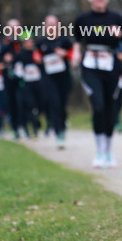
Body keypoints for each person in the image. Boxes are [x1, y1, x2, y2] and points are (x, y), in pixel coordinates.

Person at [71, 0, 122, 168]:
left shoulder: (117, 18)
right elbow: (76, 40)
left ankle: (108, 151)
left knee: (110, 109)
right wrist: (75, 54)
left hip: (111, 65)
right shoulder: (83, 19)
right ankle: (99, 150)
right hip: (90, 65)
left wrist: (120, 35)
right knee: (97, 106)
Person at [36, 15, 74, 149]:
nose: (51, 26)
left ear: (57, 25)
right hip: (49, 80)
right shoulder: (41, 42)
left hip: (63, 79)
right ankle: (59, 133)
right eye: (48, 24)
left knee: (62, 105)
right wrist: (37, 58)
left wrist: (65, 54)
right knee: (54, 104)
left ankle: (62, 124)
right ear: (45, 26)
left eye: (53, 24)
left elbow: (73, 56)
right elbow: (35, 54)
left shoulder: (65, 40)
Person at [13, 31, 44, 138]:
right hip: (26, 85)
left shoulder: (37, 53)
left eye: (30, 41)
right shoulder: (20, 55)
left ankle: (38, 121)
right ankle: (31, 128)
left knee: (40, 104)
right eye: (26, 42)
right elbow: (17, 72)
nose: (28, 44)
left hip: (38, 83)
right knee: (29, 106)